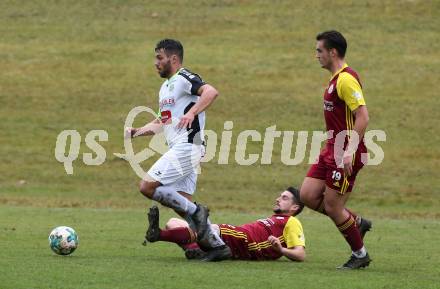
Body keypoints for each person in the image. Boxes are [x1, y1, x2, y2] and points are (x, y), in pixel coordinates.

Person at [126, 39, 231, 261]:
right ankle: (218, 247)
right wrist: (137, 132)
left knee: (147, 186)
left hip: (188, 146)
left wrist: (192, 113)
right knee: (183, 206)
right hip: (181, 148)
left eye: (159, 58)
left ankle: (197, 212)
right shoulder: (165, 88)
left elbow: (211, 92)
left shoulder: (184, 78)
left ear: (173, 59)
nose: (156, 63)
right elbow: (162, 123)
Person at [299, 30, 372, 269]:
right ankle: (354, 223)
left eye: (319, 50)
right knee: (308, 195)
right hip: (331, 149)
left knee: (332, 206)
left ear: (332, 52)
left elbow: (362, 116)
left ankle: (360, 254)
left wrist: (350, 150)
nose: (316, 55)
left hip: (345, 153)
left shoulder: (346, 79)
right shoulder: (335, 79)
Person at [145, 187, 306, 262]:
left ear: (295, 207)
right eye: (279, 196)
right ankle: (195, 250)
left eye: (284, 198)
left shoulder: (292, 222)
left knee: (211, 228)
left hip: (247, 241)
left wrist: (281, 249)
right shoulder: (275, 219)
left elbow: (300, 254)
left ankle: (159, 235)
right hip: (239, 237)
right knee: (172, 222)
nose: (278, 199)